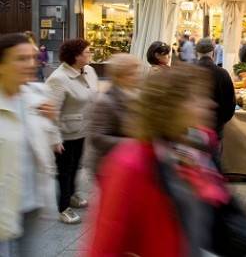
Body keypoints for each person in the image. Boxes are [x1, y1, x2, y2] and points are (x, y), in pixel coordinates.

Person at [86, 65, 246, 257]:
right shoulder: (130, 164)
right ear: (170, 107)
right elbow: (105, 245)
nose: (211, 104)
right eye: (197, 97)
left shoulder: (199, 144)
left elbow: (223, 212)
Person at [0, 33, 57, 257]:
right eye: (21, 59)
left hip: (32, 199)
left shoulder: (37, 95)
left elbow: (45, 141)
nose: (31, 64)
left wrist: (52, 122)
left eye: (33, 58)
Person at [46, 38, 98, 224]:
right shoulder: (58, 79)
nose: (91, 54)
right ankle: (63, 207)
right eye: (87, 52)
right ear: (76, 56)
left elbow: (93, 96)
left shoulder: (89, 71)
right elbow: (51, 112)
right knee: (64, 171)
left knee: (77, 166)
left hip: (83, 130)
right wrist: (54, 138)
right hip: (65, 133)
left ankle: (73, 195)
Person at [87, 54, 142, 177]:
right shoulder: (105, 101)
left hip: (128, 162)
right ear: (119, 77)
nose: (137, 77)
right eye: (132, 73)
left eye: (137, 72)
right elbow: (97, 138)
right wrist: (133, 143)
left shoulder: (136, 94)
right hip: (109, 165)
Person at [196, 38, 236, 140]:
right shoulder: (222, 73)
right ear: (213, 52)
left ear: (197, 52)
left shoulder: (188, 71)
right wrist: (220, 122)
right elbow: (230, 104)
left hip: (193, 126)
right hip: (215, 128)